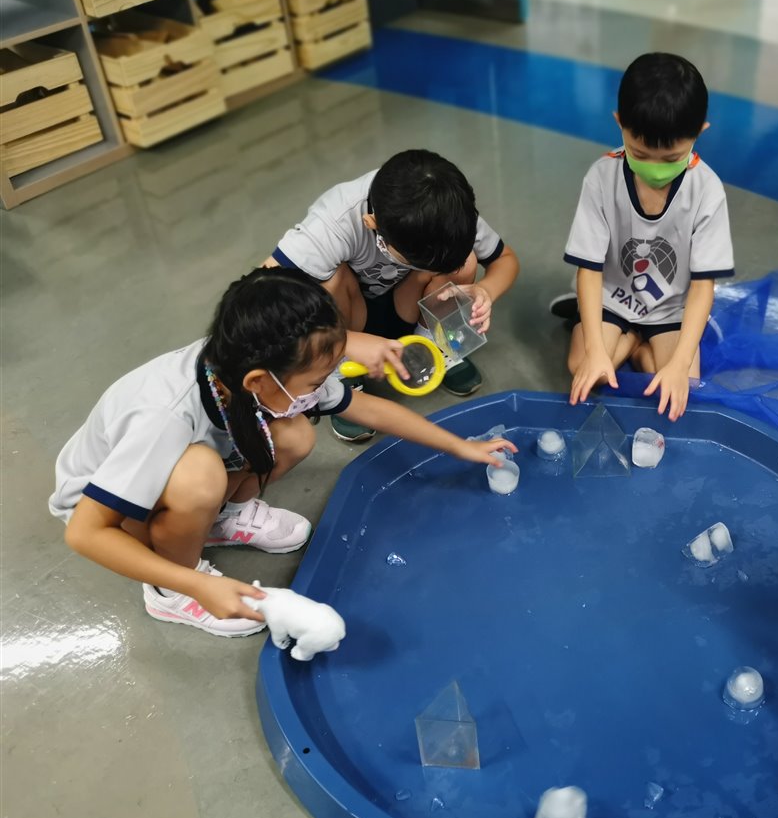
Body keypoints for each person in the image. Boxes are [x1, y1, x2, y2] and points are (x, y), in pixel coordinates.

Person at [50, 269, 514, 638]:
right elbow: (86, 533)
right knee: (200, 477)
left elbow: (367, 408)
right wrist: (198, 585)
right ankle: (168, 588)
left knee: (295, 435)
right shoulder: (164, 416)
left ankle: (217, 520)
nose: (322, 388)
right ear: (257, 381)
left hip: (173, 469)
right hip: (112, 506)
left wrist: (459, 446)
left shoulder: (251, 364)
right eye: (315, 381)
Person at [267, 149, 520, 440]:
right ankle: (339, 368)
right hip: (349, 315)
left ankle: (435, 345)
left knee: (465, 262)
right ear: (372, 223)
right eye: (417, 262)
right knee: (330, 278)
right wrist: (343, 340)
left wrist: (485, 290)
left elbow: (506, 260)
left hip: (406, 304)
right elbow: (261, 297)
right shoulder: (334, 222)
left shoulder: (449, 212)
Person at [563, 52, 734, 421]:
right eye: (641, 154)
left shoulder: (707, 190)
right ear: (619, 123)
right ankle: (627, 339)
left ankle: (637, 345)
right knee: (583, 367)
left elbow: (703, 286)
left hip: (670, 306)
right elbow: (589, 270)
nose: (655, 168)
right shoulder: (601, 177)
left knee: (684, 384)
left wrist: (680, 364)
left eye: (671, 158)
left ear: (700, 131)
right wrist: (595, 350)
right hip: (613, 297)